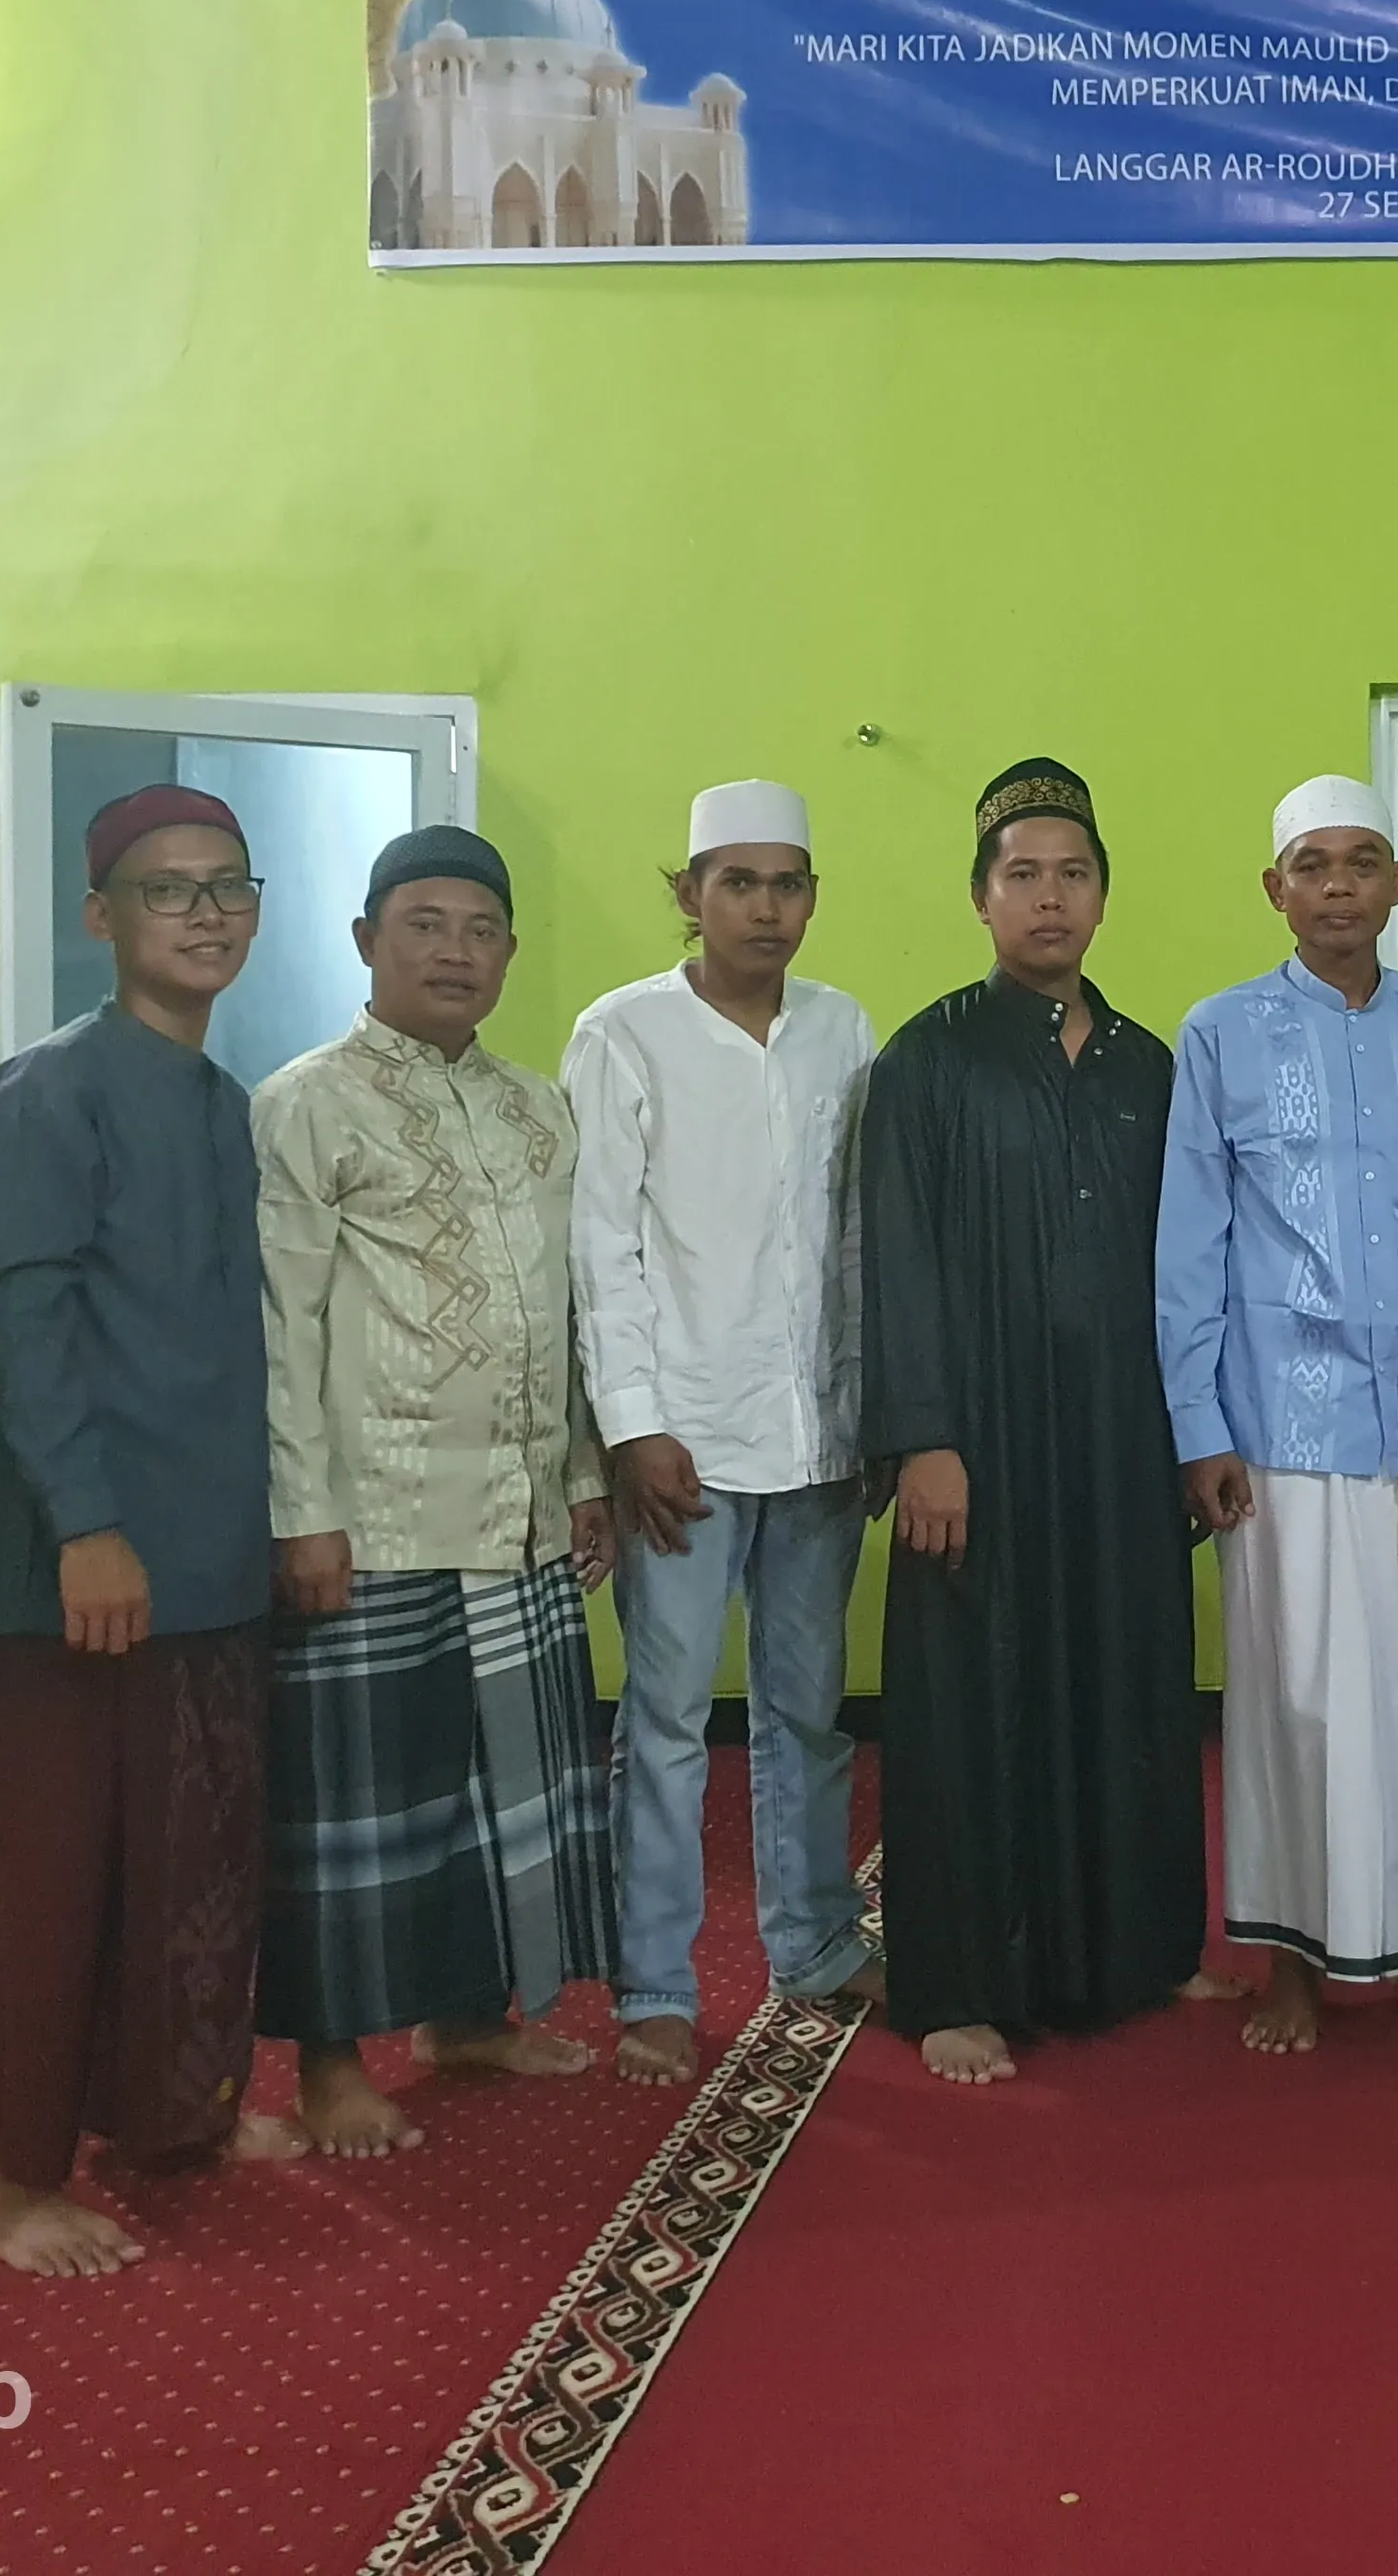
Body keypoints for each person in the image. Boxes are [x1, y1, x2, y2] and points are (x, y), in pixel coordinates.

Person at [0, 787, 300, 2276]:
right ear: (101, 920)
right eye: (166, 891)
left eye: (225, 889)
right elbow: (25, 1316)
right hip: (84, 1559)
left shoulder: (219, 1097)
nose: (203, 914)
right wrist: (87, 1526)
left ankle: (171, 2114)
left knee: (189, 1856)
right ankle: (6, 2175)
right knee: (50, 1876)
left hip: (207, 1552)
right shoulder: (49, 1091)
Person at [255, 824, 618, 2156]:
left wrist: (582, 1475)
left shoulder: (539, 1106)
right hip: (373, 1510)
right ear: (366, 940)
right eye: (424, 924)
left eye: (479, 929)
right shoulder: (307, 1101)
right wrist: (302, 1511)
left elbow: (573, 1311)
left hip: (517, 1508)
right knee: (355, 1798)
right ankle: (332, 2062)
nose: (454, 951)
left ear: (510, 952)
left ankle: (472, 2017)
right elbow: (284, 1325)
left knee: (495, 1784)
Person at [858, 759, 1208, 2087]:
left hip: (1122, 1434)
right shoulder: (930, 1056)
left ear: (1105, 898)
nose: (1047, 897)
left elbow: (1191, 1266)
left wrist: (1192, 1434)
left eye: (1071, 872)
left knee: (1124, 1680)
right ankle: (957, 1981)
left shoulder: (1149, 1066)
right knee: (970, 1697)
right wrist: (925, 1438)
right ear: (979, 898)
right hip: (980, 1436)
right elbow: (894, 1256)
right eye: (1022, 874)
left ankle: (1130, 1952)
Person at [1158, 776, 1398, 2055]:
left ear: (1397, 884)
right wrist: (1200, 1426)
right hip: (1277, 1428)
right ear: (1275, 889)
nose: (1339, 886)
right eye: (1313, 864)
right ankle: (1292, 1955)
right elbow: (1190, 1245)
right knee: (1290, 1702)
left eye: (1363, 863)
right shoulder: (1222, 1033)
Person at [564, 780, 878, 2090]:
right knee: (670, 1717)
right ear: (689, 896)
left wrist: (873, 1413)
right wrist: (632, 1429)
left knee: (808, 1714)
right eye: (737, 883)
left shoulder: (842, 1027)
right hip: (680, 1443)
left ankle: (813, 1946)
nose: (766, 907)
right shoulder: (623, 1032)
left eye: (788, 882)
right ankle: (653, 1983)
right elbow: (602, 1244)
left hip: (819, 1436)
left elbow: (858, 1238)